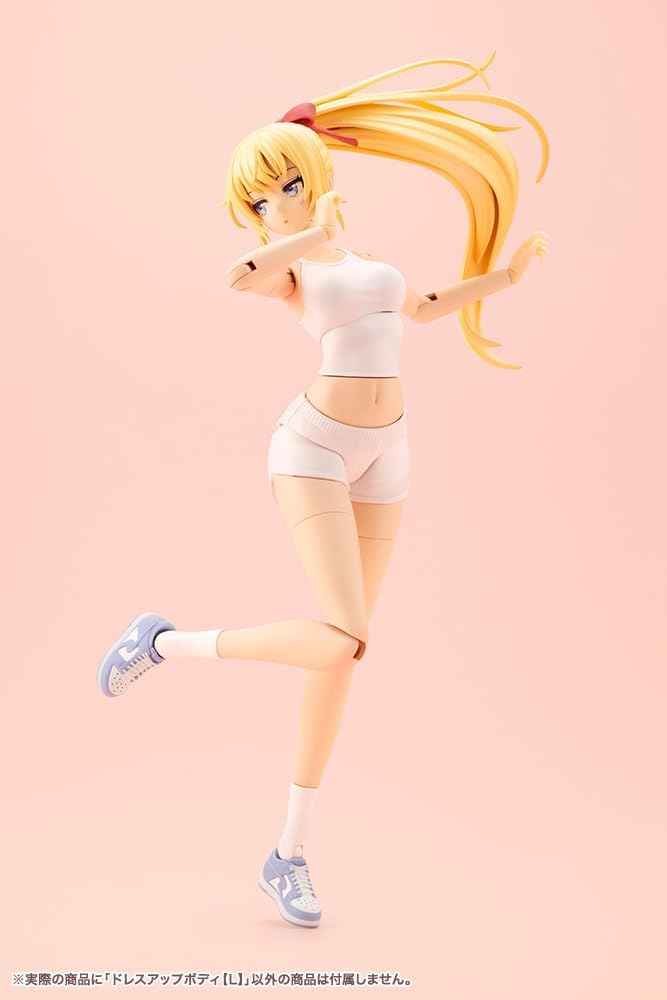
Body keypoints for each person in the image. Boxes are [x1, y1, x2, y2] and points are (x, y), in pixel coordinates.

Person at [96, 54, 550, 929]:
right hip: (312, 448)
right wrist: (306, 235)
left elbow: (423, 304)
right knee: (341, 638)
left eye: (289, 186)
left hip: (390, 454)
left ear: (316, 174)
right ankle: (166, 643)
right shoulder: (290, 265)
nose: (279, 204)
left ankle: (289, 853)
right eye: (262, 200)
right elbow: (239, 276)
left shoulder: (361, 259)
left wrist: (507, 277)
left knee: (344, 653)